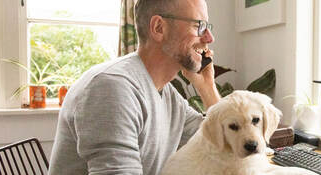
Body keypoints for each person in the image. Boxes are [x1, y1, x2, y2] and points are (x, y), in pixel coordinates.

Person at [48, 0, 219, 174]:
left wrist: (208, 88)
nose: (209, 38)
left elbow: (222, 145)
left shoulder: (168, 95)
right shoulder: (111, 88)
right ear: (159, 27)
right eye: (199, 26)